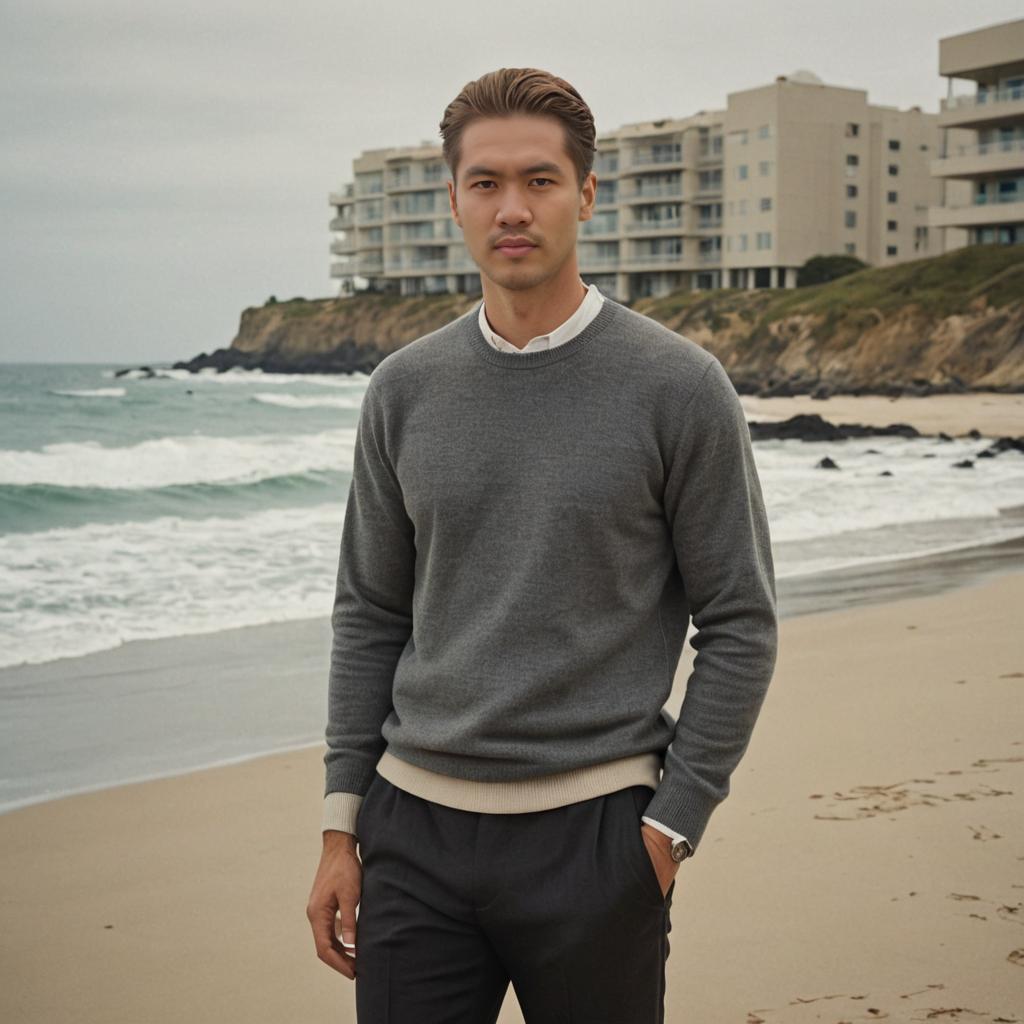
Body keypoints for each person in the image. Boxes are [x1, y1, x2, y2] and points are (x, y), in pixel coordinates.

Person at [306, 66, 779, 1023]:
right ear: (454, 199)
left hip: (598, 839)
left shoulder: (679, 387)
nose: (511, 208)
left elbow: (740, 622)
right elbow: (370, 612)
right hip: (413, 836)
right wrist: (339, 824)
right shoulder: (404, 388)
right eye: (485, 183)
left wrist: (670, 828)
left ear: (586, 193)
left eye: (539, 180)